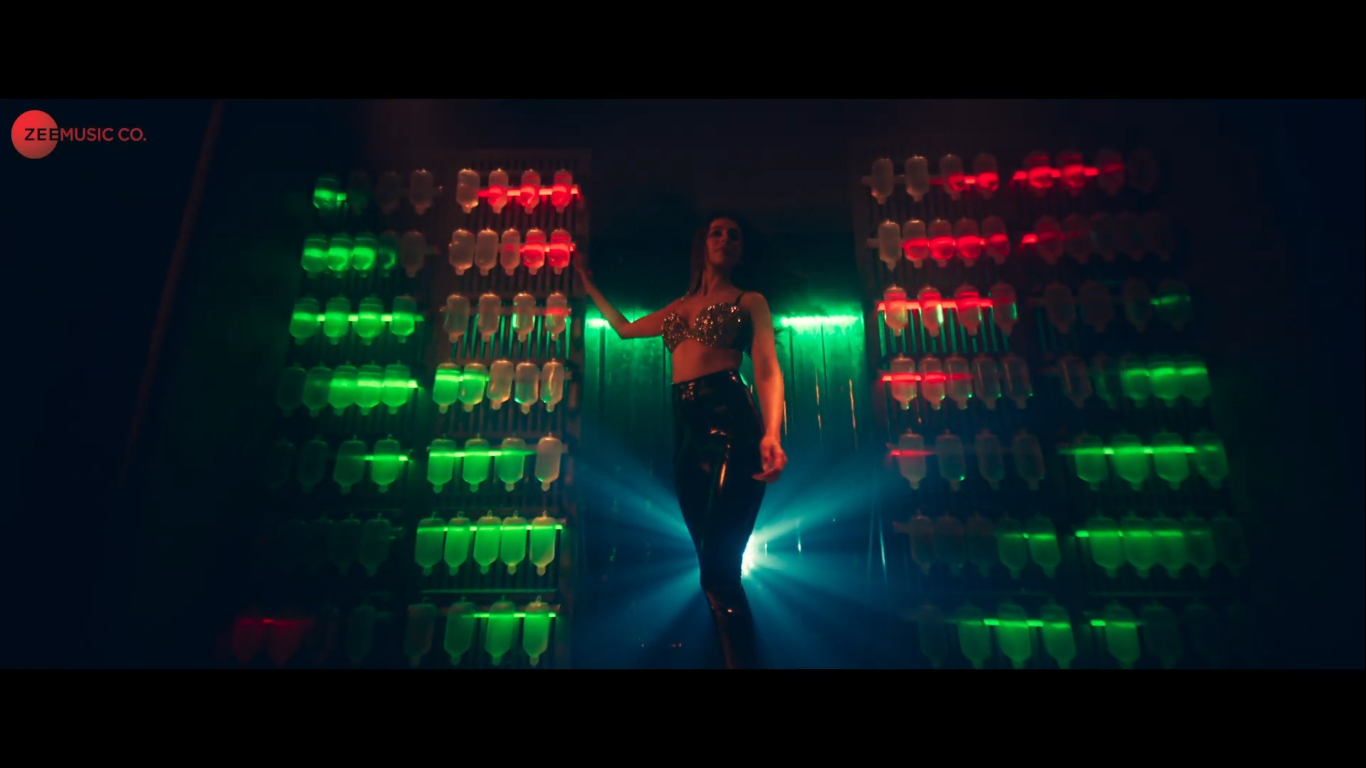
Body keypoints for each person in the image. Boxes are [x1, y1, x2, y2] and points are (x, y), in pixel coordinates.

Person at [577, 213, 788, 669]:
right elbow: (624, 329)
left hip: (732, 423)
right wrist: (588, 288)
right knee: (710, 571)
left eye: (735, 235)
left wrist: (772, 433)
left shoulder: (750, 300)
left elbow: (767, 368)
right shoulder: (677, 307)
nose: (726, 238)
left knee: (720, 570)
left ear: (741, 251)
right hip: (687, 435)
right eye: (717, 232)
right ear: (703, 244)